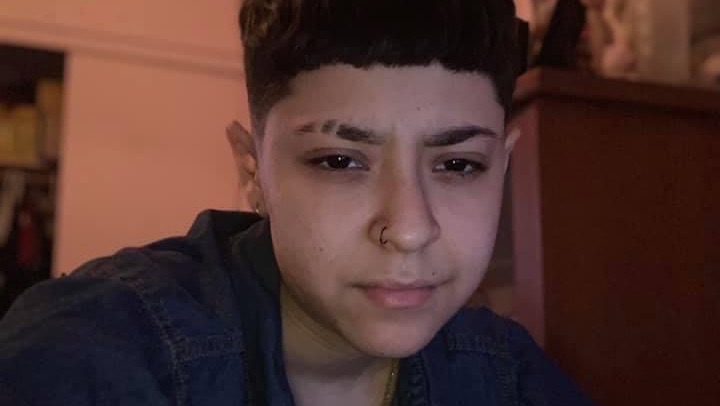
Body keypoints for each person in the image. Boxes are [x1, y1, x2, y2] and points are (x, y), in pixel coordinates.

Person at [0, 1, 593, 405]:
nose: (410, 229)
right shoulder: (96, 354)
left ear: (502, 167)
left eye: (458, 165)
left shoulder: (506, 376)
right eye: (339, 161)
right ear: (252, 171)